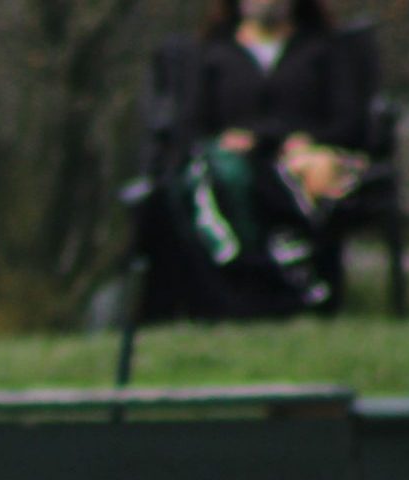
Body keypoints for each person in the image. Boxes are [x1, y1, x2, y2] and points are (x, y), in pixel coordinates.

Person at [147, 0, 370, 319]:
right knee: (224, 179)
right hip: (234, 169)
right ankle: (248, 286)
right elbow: (190, 125)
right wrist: (227, 142)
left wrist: (303, 140)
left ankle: (300, 285)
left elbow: (351, 122)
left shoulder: (326, 49)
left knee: (315, 175)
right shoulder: (211, 53)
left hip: (307, 163)